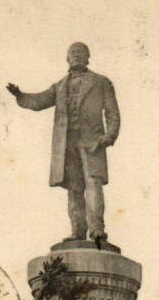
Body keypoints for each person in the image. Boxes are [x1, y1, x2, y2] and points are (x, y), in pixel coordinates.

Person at [7, 43, 120, 246]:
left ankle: (97, 230)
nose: (76, 56)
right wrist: (20, 96)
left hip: (92, 142)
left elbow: (112, 112)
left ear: (88, 57)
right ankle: (77, 231)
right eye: (73, 53)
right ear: (67, 59)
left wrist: (109, 135)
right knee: (74, 188)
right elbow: (40, 101)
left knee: (93, 183)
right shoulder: (60, 86)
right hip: (67, 143)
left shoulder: (102, 82)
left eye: (80, 52)